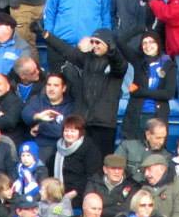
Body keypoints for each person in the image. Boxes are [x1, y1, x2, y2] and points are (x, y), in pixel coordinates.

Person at [41, 29, 127, 158]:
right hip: (83, 122)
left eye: (98, 42)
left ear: (108, 44)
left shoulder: (116, 64)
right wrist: (46, 35)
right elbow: (66, 50)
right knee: (79, 160)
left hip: (103, 125)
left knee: (101, 161)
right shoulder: (87, 59)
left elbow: (119, 63)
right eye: (92, 42)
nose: (94, 45)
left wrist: (112, 50)